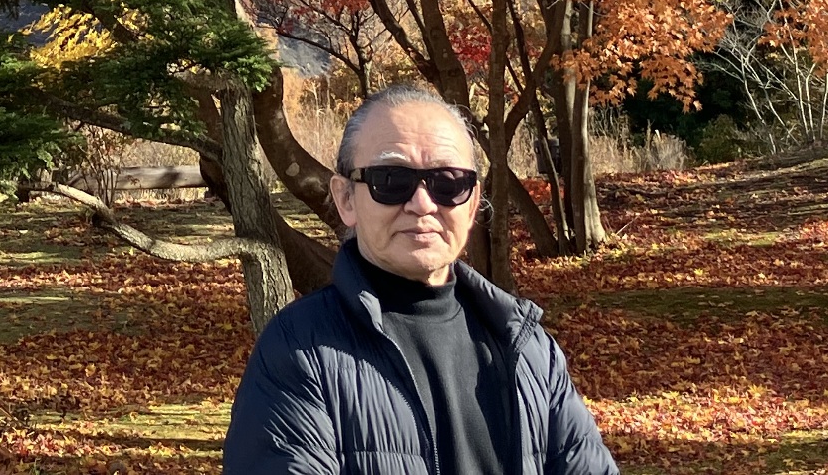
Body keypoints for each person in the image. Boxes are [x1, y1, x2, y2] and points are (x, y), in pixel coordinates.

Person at [224, 84, 618, 475]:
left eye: (449, 182)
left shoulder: (527, 347)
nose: (423, 203)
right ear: (346, 199)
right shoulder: (300, 351)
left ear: (474, 202)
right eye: (391, 180)